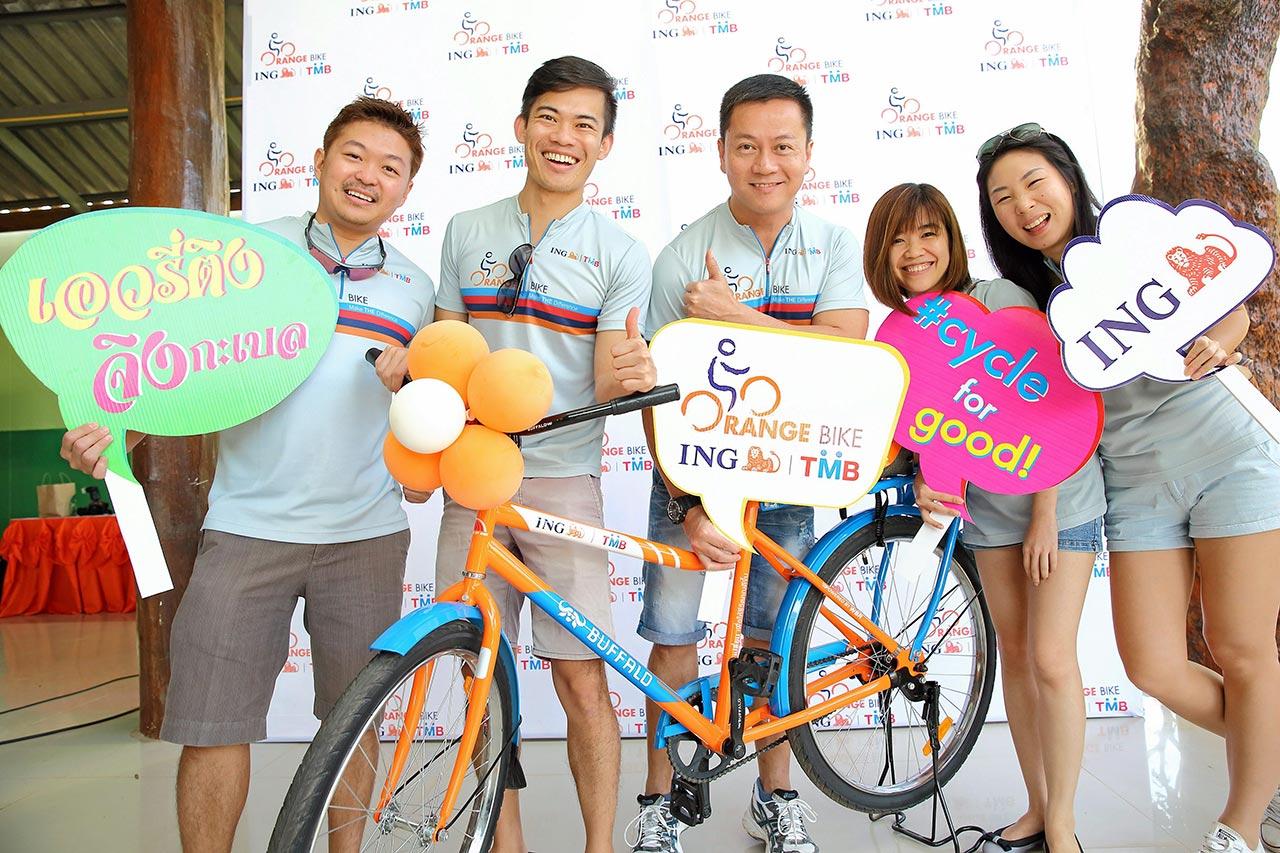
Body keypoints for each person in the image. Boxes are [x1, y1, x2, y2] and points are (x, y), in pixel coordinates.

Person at [60, 96, 434, 853]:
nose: (368, 176)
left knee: (353, 724)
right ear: (320, 161)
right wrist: (111, 430)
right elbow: (176, 365)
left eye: (390, 167)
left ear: (405, 189)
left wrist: (414, 393)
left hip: (365, 535)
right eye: (354, 155)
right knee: (212, 724)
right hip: (244, 528)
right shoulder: (246, 256)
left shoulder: (416, 288)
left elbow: (428, 424)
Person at [976, 123, 1280, 853]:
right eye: (1003, 198)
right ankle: (1268, 758)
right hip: (1135, 482)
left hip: (1228, 455)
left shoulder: (1135, 241)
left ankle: (1241, 823)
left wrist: (1220, 342)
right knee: (1153, 664)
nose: (1024, 205)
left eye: (1034, 183)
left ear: (1069, 179)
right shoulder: (1025, 299)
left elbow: (1232, 305)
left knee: (1241, 649)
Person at [631, 73, 869, 853]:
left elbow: (848, 356)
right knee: (673, 637)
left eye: (782, 146)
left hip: (787, 478)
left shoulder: (834, 245)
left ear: (808, 153)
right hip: (692, 479)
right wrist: (689, 503)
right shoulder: (681, 255)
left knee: (771, 642)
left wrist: (738, 317)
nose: (765, 164)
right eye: (747, 147)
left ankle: (776, 798)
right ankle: (660, 804)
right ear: (721, 152)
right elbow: (655, 396)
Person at [432, 56, 657, 853]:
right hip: (472, 478)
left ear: (605, 145)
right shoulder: (466, 230)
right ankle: (508, 841)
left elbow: (608, 377)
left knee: (581, 677)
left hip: (564, 481)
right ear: (522, 127)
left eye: (584, 124)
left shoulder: (621, 251)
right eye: (550, 118)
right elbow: (446, 352)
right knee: (477, 674)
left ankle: (600, 845)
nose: (565, 137)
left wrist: (634, 371)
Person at [867, 182, 1104, 853]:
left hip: (1058, 501)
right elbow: (924, 427)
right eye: (898, 239)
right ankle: (1038, 807)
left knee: (1052, 658)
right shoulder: (902, 331)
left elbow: (1057, 403)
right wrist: (925, 482)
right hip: (988, 516)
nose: (915, 251)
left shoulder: (1001, 299)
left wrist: (1045, 513)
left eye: (928, 233)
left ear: (951, 238)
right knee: (1020, 659)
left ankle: (1064, 826)